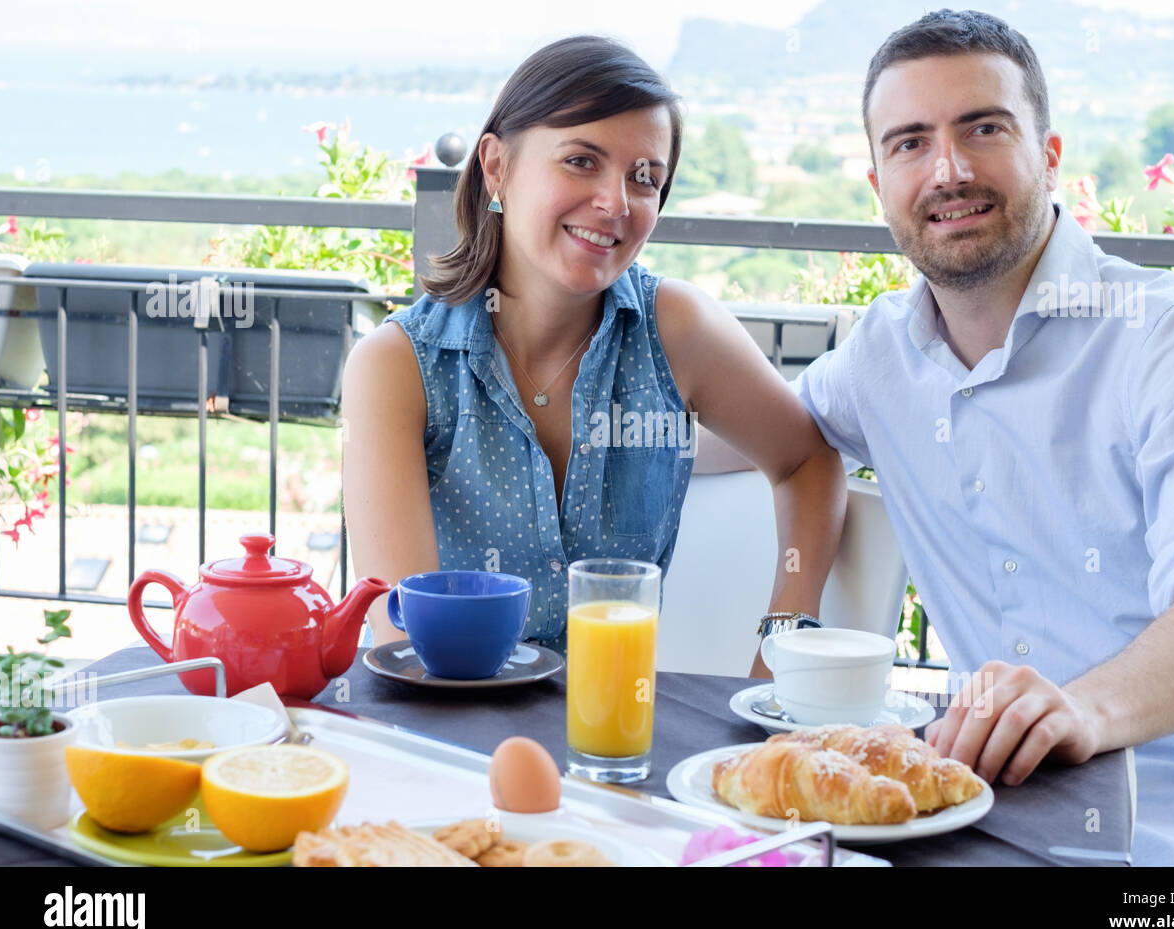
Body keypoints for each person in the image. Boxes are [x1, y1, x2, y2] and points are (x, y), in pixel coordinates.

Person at [774, 10, 1174, 864]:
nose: (948, 170)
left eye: (983, 128)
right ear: (878, 186)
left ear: (1048, 156)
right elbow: (753, 426)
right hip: (978, 822)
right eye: (909, 142)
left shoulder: (1171, 336)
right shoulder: (879, 357)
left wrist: (1084, 710)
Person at [341, 36, 845, 671]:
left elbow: (806, 460)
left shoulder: (678, 331)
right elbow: (409, 647)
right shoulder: (396, 367)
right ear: (497, 168)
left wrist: (780, 645)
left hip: (621, 741)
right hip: (456, 741)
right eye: (582, 161)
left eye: (645, 177)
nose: (617, 203)